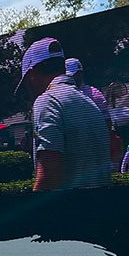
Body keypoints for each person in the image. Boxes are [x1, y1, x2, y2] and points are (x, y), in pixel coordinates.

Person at [15, 37, 112, 192]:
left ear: (32, 75)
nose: (28, 91)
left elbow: (49, 176)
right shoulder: (89, 103)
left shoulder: (47, 101)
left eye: (26, 84)